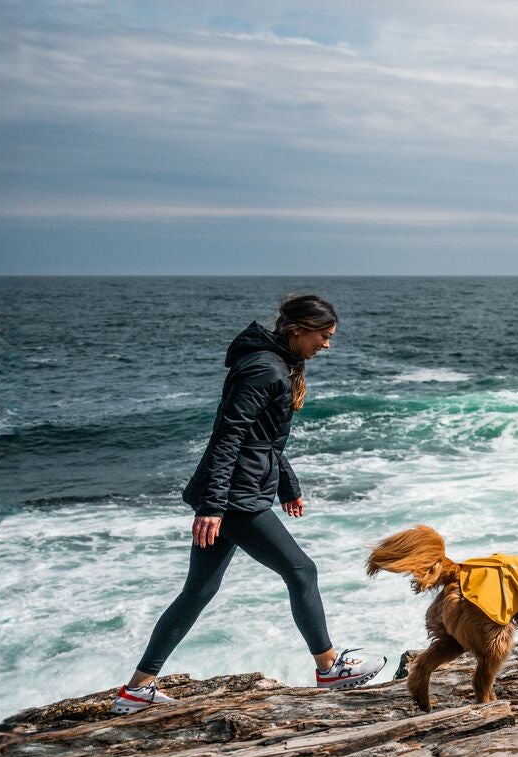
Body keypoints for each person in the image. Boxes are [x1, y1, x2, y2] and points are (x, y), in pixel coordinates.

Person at [112, 294, 384, 714]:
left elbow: (265, 439)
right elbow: (229, 435)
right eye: (323, 336)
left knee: (198, 590)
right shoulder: (263, 368)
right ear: (298, 330)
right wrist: (213, 506)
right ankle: (329, 665)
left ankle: (136, 690)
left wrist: (287, 484)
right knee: (301, 570)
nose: (326, 345)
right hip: (236, 499)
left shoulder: (276, 364)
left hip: (240, 491)